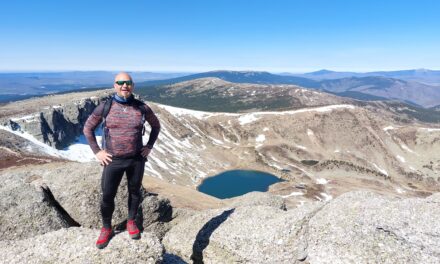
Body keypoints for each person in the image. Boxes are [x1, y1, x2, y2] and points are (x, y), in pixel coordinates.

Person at [83, 72, 161, 249]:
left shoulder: (141, 107)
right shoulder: (106, 106)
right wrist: (97, 151)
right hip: (113, 160)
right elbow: (87, 128)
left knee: (135, 192)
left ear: (132, 86)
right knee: (108, 195)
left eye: (128, 83)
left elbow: (156, 126)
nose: (124, 85)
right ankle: (106, 228)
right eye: (121, 82)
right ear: (115, 85)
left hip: (136, 159)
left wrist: (149, 146)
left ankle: (131, 222)